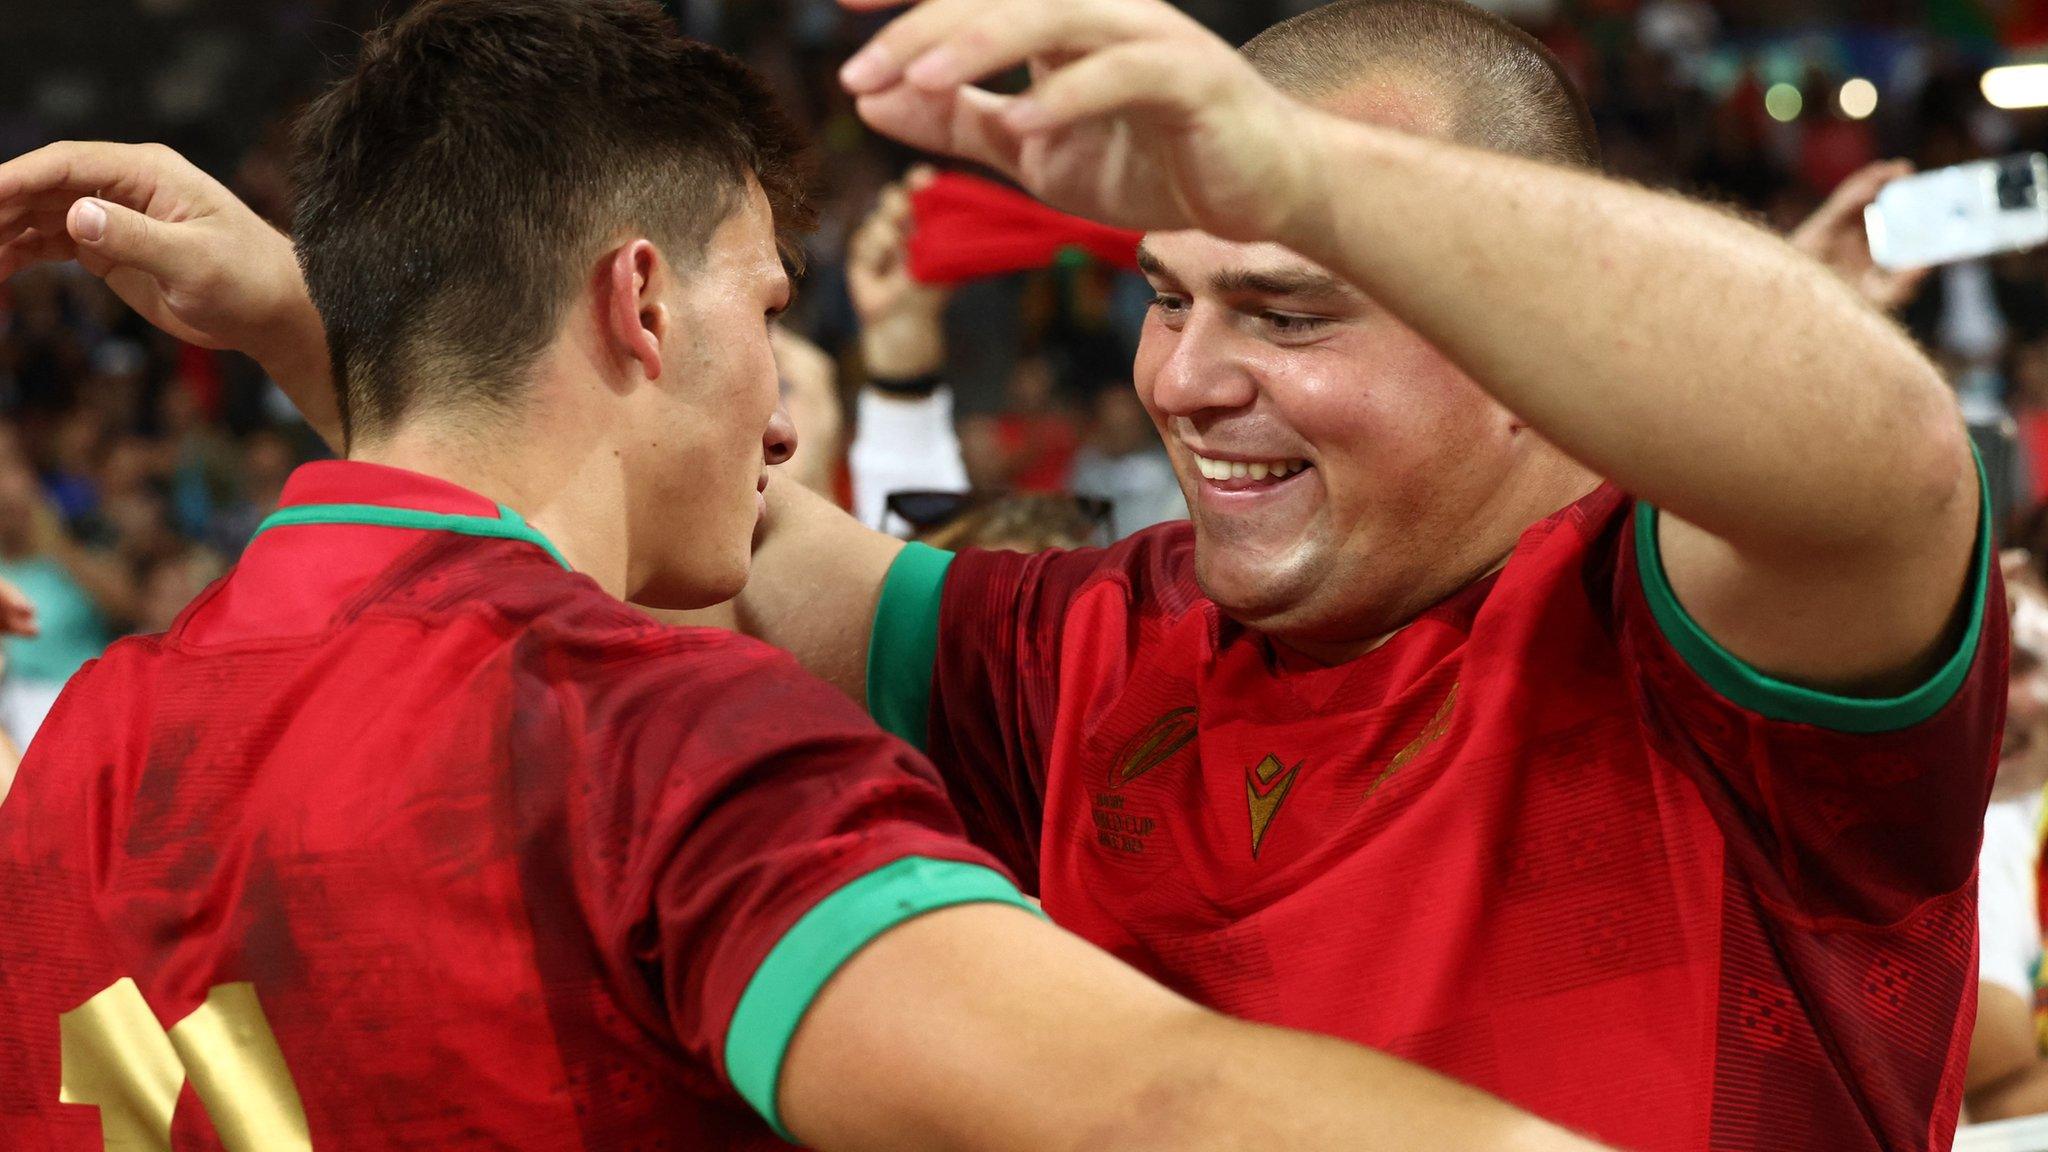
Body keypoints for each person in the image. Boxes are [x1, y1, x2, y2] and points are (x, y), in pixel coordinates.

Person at [0, 3, 1997, 1150]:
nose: (1193, 377)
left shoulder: (1693, 645)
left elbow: (1886, 459)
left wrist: (1299, 166)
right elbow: (678, 515)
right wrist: (340, 318)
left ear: (1516, 322)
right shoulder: (1092, 644)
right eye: (1165, 295)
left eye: (1290, 305)